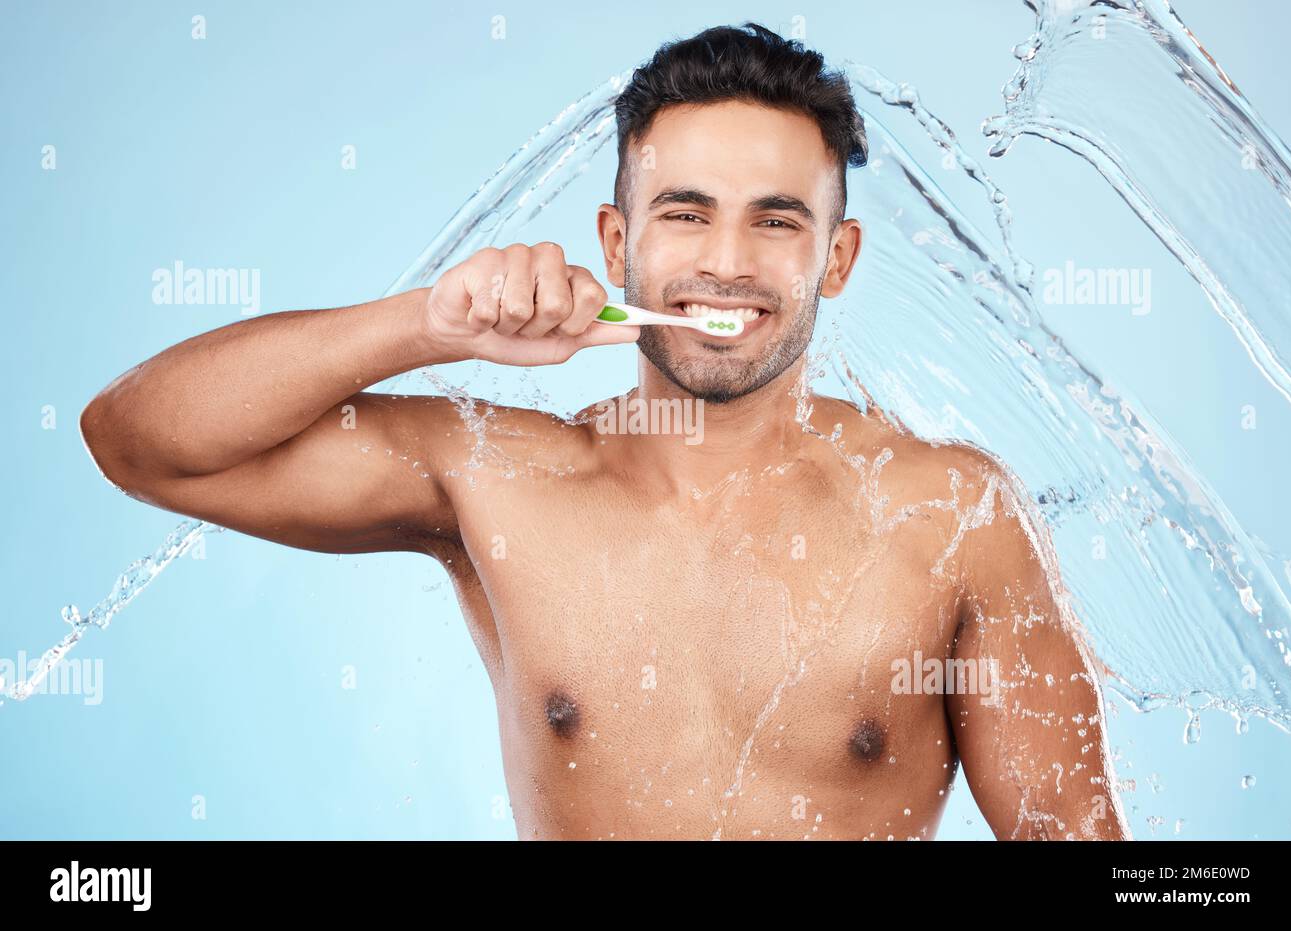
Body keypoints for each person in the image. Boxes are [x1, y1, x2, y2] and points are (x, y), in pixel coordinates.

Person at [80, 22, 1128, 840]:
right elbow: (142, 440)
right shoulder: (497, 479)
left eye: (775, 219)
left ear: (837, 258)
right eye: (684, 213)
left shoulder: (949, 513)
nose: (726, 260)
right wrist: (427, 324)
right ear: (616, 242)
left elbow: (1076, 835)